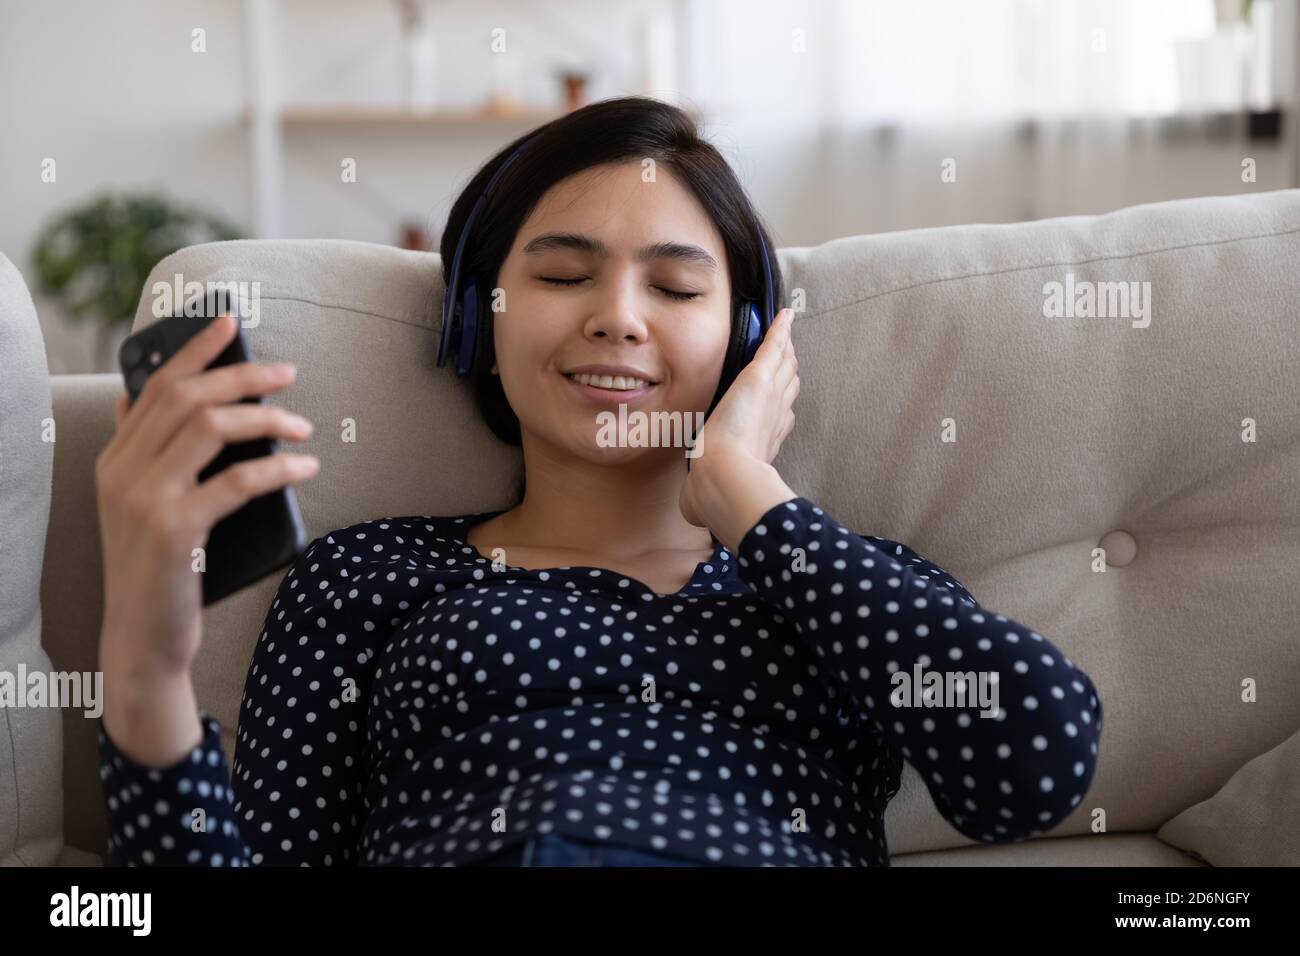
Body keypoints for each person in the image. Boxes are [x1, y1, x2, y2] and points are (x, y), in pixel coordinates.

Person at [94, 96, 1102, 867]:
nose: (618, 316)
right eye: (564, 275)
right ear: (472, 321)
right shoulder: (368, 576)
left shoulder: (835, 576)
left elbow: (1038, 760)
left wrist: (751, 500)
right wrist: (144, 668)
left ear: (747, 341)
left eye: (673, 286)